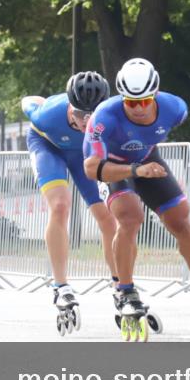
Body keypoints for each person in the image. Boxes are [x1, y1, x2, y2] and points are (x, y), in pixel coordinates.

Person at [83, 57, 190, 341]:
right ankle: (126, 291)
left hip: (147, 161)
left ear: (155, 94)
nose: (140, 108)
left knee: (181, 220)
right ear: (122, 99)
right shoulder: (103, 118)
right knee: (130, 218)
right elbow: (91, 168)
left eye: (145, 101)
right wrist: (133, 170)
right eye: (132, 103)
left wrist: (143, 166)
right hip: (115, 167)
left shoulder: (175, 108)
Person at [21, 71, 117, 336]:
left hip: (84, 155)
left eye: (92, 116)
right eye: (78, 115)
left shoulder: (111, 116)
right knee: (61, 205)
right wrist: (37, 101)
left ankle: (121, 284)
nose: (85, 123)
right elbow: (28, 100)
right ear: (69, 107)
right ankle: (60, 285)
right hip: (48, 147)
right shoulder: (48, 114)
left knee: (109, 216)